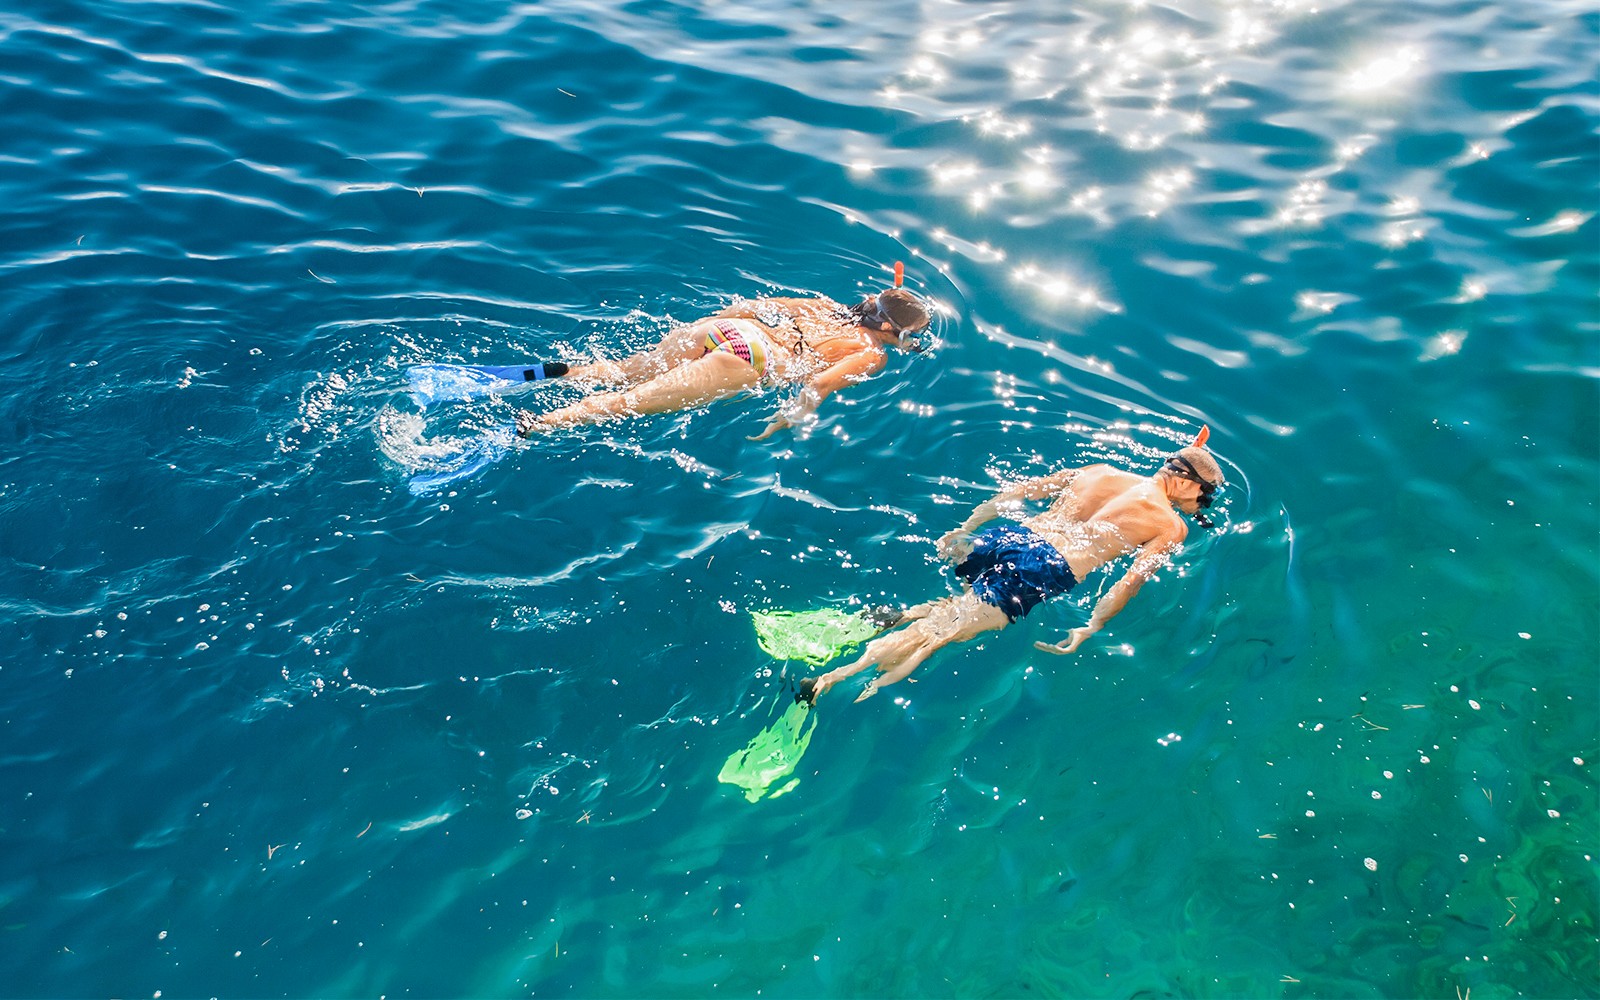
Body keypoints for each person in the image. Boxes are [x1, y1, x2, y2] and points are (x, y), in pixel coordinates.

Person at [798, 427, 1226, 704]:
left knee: (957, 609)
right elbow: (1129, 583)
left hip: (1007, 538)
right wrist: (1091, 627)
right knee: (937, 638)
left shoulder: (1100, 472)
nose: (1199, 506)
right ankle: (830, 681)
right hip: (1044, 567)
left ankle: (891, 616)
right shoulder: (1170, 525)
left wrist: (967, 526)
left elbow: (1021, 490)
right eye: (1202, 496)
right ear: (1185, 481)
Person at [511, 274, 932, 439]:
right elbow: (817, 383)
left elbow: (751, 306)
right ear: (890, 329)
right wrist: (789, 420)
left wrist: (714, 325)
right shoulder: (871, 352)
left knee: (622, 372)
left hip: (729, 329)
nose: (913, 342)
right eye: (912, 335)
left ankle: (539, 374)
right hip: (754, 358)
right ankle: (538, 423)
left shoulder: (825, 307)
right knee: (628, 403)